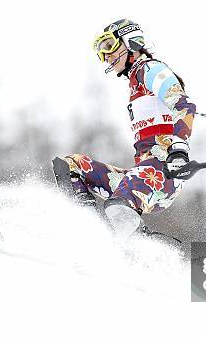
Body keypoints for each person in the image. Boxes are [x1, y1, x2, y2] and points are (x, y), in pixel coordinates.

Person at [52, 19, 196, 240]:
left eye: (109, 46)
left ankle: (129, 250)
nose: (105, 56)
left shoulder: (150, 68)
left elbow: (183, 105)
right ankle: (88, 232)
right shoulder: (135, 82)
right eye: (101, 51)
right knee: (72, 166)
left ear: (130, 42)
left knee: (118, 205)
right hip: (140, 174)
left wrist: (178, 149)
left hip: (162, 173)